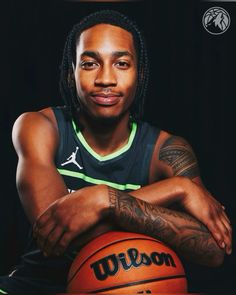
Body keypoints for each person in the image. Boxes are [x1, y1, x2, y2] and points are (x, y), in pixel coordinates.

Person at [0, 9, 232, 295]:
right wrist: (175, 189)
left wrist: (106, 201)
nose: (106, 79)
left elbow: (212, 250)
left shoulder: (168, 150)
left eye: (122, 63)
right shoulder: (39, 127)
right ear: (70, 74)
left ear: (140, 75)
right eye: (89, 64)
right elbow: (55, 234)